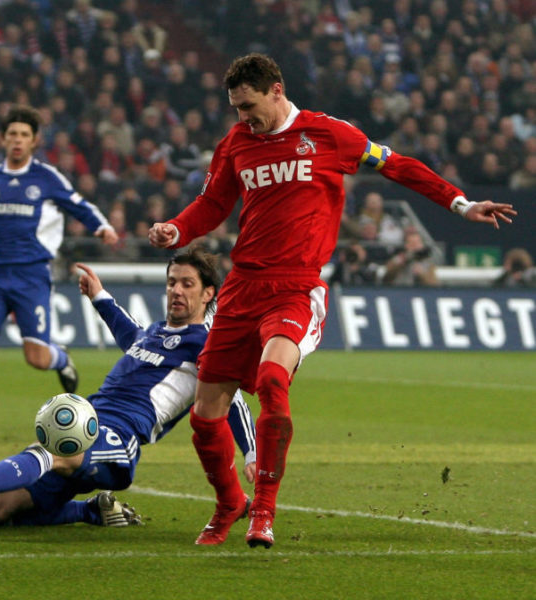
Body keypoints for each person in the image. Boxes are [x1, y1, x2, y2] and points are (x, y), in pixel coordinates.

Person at [148, 53, 516, 549]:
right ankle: (227, 504)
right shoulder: (236, 144)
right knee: (205, 414)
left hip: (297, 286)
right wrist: (177, 228)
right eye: (236, 109)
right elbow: (213, 203)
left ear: (276, 90)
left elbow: (397, 166)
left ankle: (263, 511)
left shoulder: (328, 135)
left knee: (274, 381)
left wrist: (460, 203)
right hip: (242, 288)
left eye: (249, 106)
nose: (243, 119)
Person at [0, 247, 256, 527]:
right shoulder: (155, 332)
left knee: (57, 452)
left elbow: (232, 400)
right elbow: (129, 332)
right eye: (172, 282)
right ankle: (89, 511)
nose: (176, 290)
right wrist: (99, 296)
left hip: (119, 436)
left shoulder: (206, 344)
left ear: (207, 294)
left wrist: (251, 452)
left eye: (187, 284)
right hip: (87, 418)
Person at [0, 105, 118, 442]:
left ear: (34, 141)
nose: (17, 141)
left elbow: (78, 205)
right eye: (11, 135)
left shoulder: (47, 178)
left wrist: (102, 227)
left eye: (23, 135)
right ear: (3, 140)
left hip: (31, 276)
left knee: (35, 356)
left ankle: (60, 358)